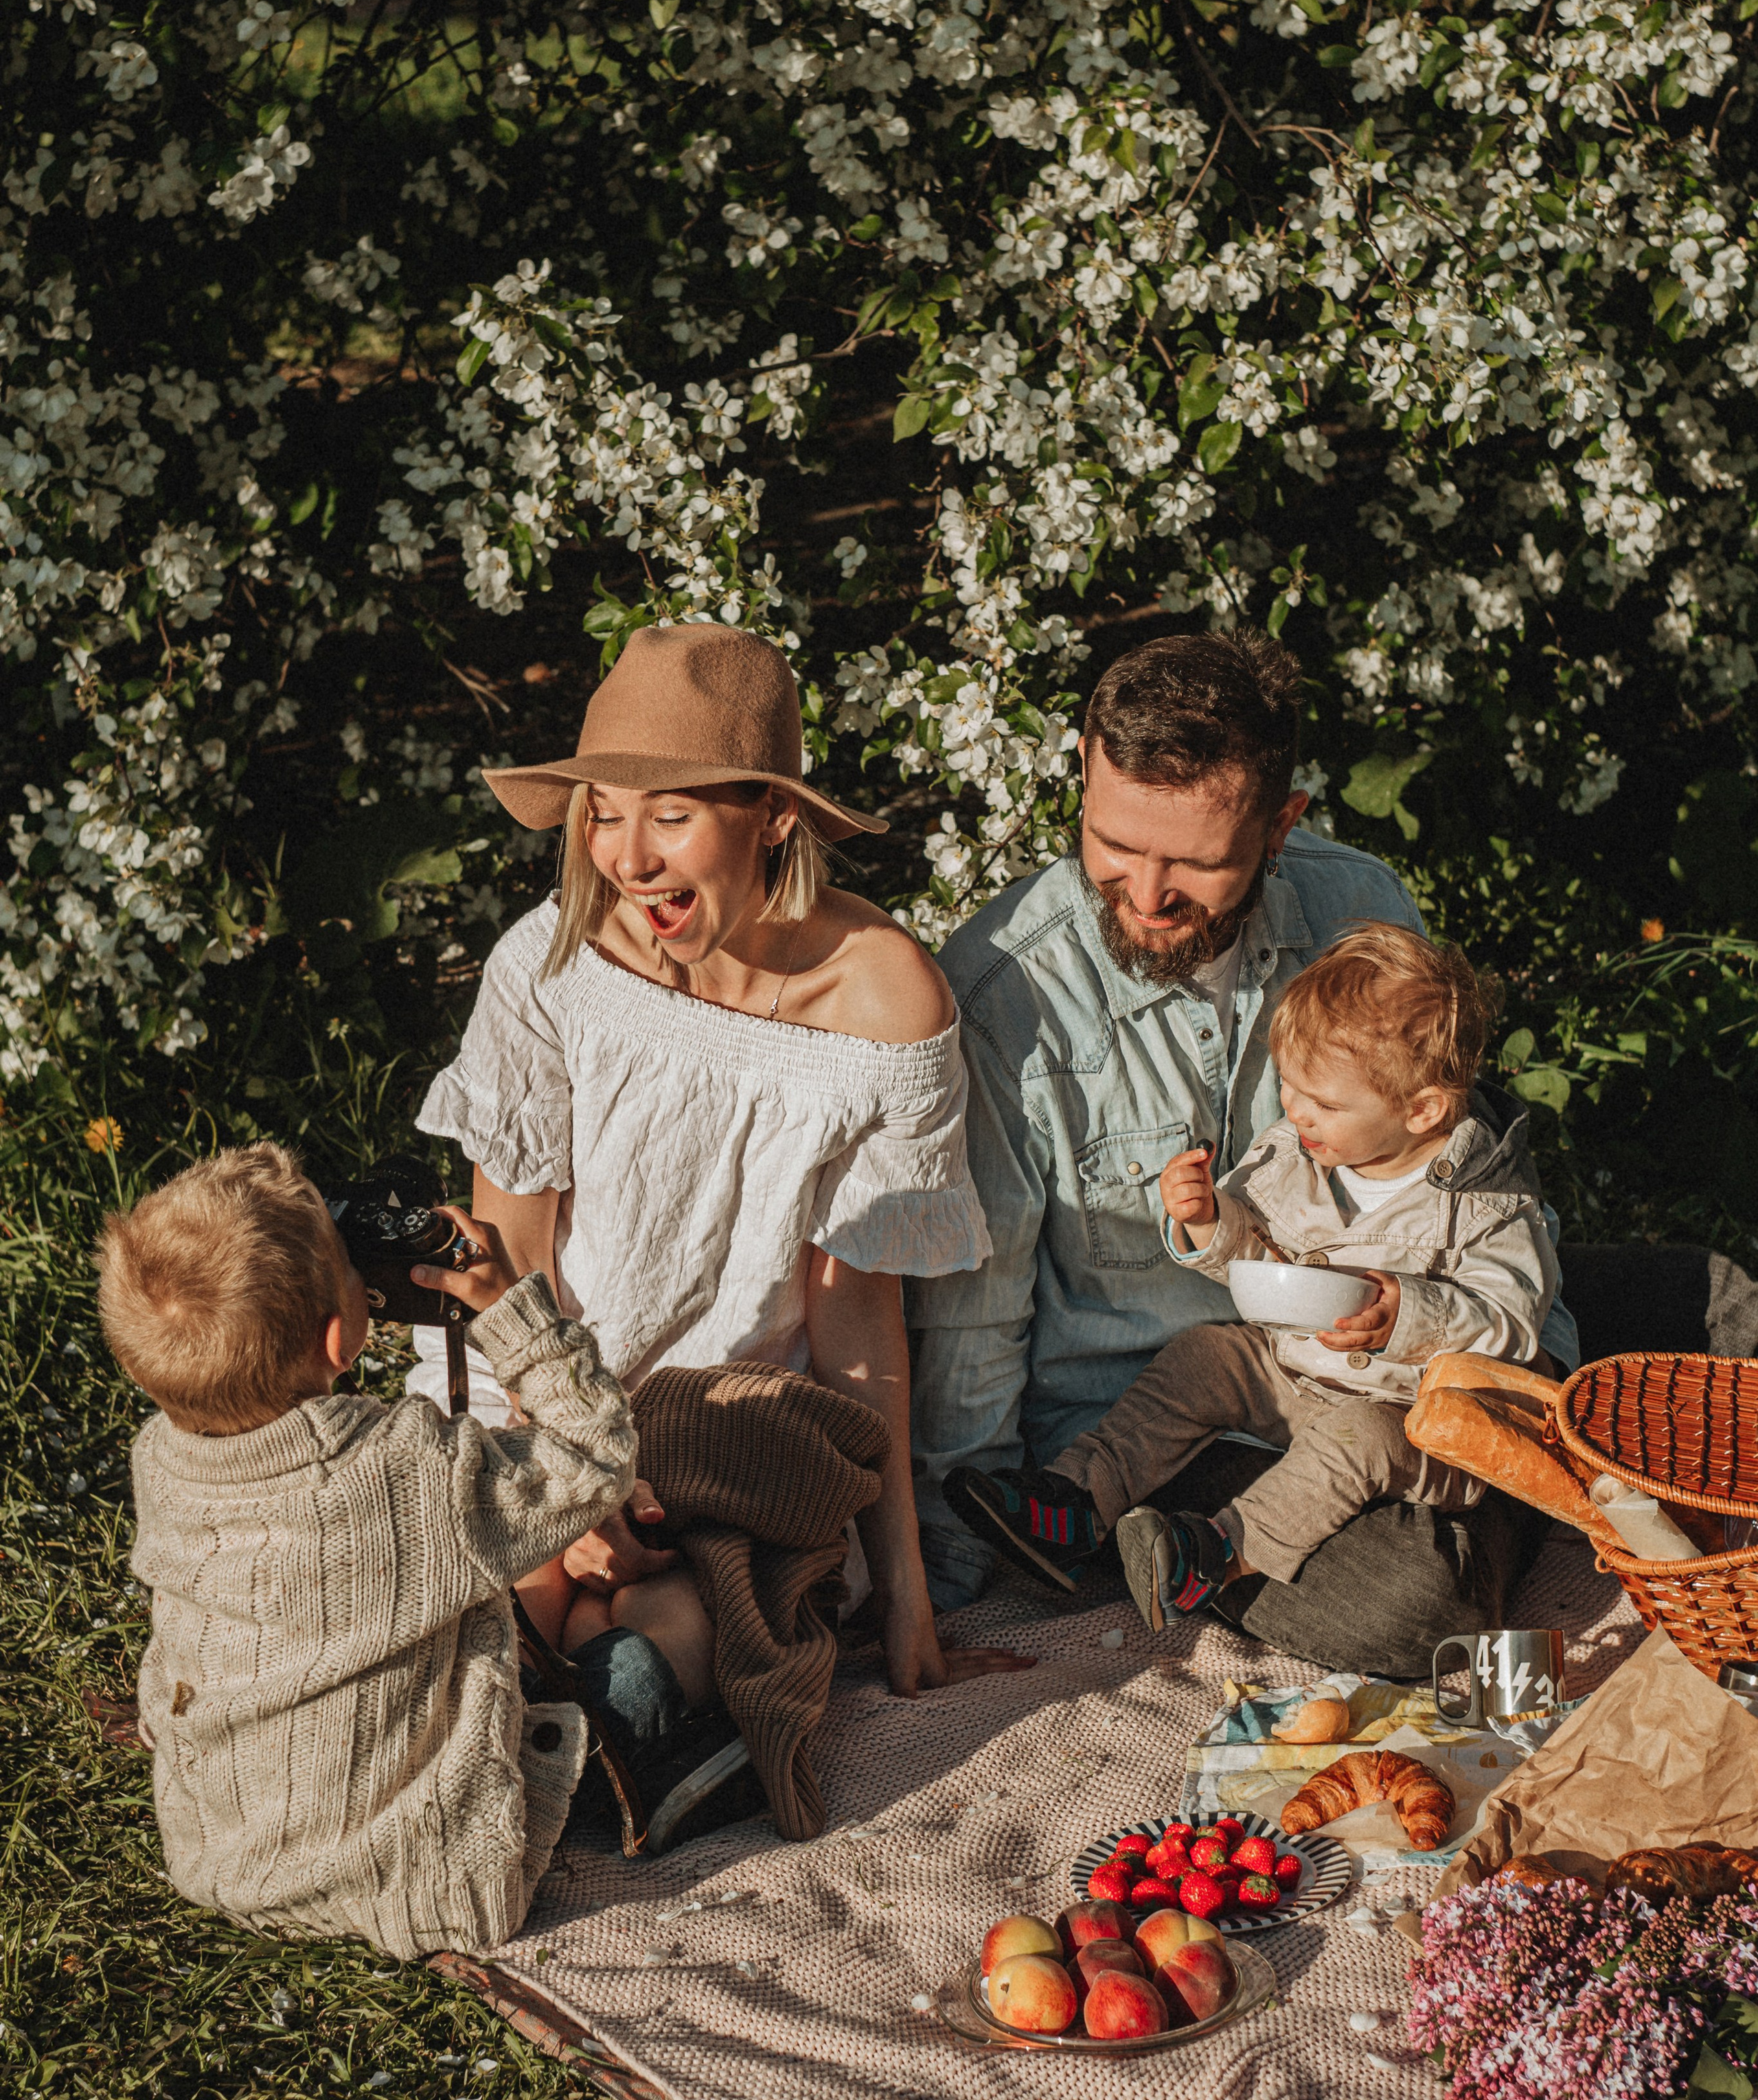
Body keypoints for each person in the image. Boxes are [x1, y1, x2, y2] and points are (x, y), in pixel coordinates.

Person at [908, 628, 1578, 1662]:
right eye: (1115, 846)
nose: (1145, 894)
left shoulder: (1363, 909)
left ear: (1281, 826)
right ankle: (1492, 1509)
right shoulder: (1005, 996)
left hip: (1404, 1359)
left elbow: (1466, 1179)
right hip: (1174, 1416)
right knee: (1418, 1606)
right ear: (1084, 771)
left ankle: (1519, 1478)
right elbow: (975, 1310)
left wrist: (1511, 1370)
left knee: (1714, 1300)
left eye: (1198, 863)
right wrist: (952, 1574)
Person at [413, 622, 1028, 1700]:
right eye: (602, 814)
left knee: (659, 1661)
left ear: (775, 814)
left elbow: (856, 1316)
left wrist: (906, 1600)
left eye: (673, 814)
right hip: (539, 1403)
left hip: (734, 1437)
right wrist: (572, 1487)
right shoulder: (552, 966)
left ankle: (625, 1694)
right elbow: (510, 1267)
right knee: (503, 1630)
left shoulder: (888, 1004)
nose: (629, 857)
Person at [104, 1141, 714, 1959]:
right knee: (676, 1623)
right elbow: (597, 1452)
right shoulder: (407, 1472)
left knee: (520, 1568)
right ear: (339, 1340)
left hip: (233, 1853)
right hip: (421, 1871)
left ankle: (572, 1625)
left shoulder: (162, 1458)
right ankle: (626, 1698)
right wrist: (512, 1312)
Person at [946, 923, 1558, 1629]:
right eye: (1290, 1088)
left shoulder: (1485, 1201)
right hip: (1296, 1374)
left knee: (1354, 1439)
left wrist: (1409, 1315)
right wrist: (1208, 1220)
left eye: (1324, 1104)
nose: (1297, 1114)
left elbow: (1512, 1323)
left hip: (1412, 1421)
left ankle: (1213, 1556)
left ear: (1421, 1110)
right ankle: (1073, 1505)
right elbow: (1253, 1246)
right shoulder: (1297, 1150)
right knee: (1205, 1357)